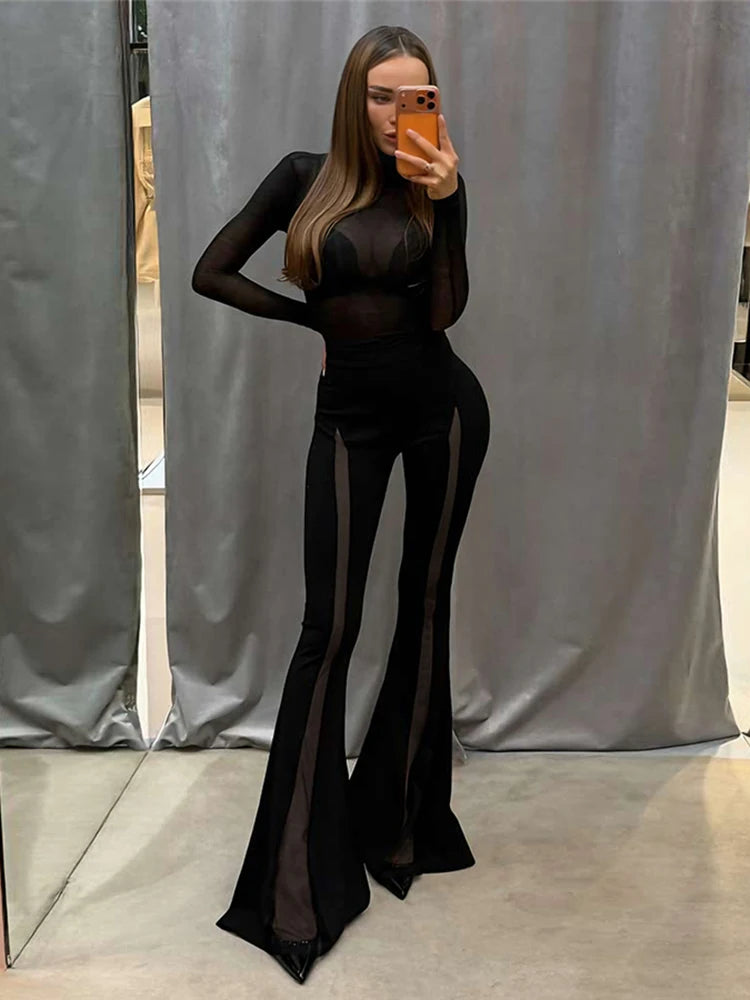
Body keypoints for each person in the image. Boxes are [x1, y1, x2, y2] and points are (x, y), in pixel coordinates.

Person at [191, 24, 491, 985]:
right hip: (348, 422)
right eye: (381, 95)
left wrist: (448, 201)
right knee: (329, 629)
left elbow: (443, 314)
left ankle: (398, 826)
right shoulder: (303, 178)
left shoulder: (435, 184)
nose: (399, 113)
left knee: (425, 604)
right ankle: (295, 881)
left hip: (444, 412)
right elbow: (210, 270)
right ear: (353, 98)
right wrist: (312, 320)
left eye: (416, 95)